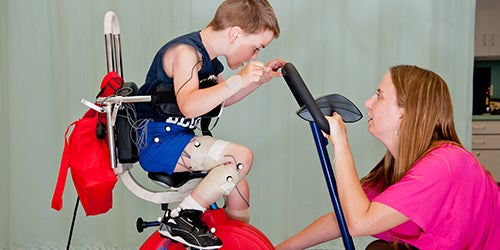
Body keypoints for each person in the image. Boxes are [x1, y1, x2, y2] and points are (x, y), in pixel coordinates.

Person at [275, 65, 500, 250]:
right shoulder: (402, 164)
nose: (368, 103)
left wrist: (341, 145)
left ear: (405, 113)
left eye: (379, 96)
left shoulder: (445, 163)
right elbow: (343, 218)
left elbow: (359, 223)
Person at [135, 0, 285, 249]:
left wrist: (256, 81)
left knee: (239, 188)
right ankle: (182, 218)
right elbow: (189, 106)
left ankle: (232, 242)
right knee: (241, 157)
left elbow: (221, 100)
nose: (255, 55)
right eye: (256, 47)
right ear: (236, 34)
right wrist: (238, 79)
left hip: (177, 140)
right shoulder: (186, 53)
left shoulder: (209, 61)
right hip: (157, 143)